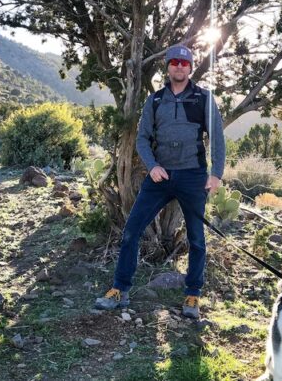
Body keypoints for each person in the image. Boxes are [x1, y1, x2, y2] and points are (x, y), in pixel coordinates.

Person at [94, 44, 226, 319]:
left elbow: (218, 138)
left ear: (191, 67)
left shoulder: (203, 98)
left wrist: (216, 174)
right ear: (167, 67)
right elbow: (142, 138)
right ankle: (120, 289)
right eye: (175, 62)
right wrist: (152, 166)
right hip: (160, 176)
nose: (180, 66)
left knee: (197, 239)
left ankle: (192, 294)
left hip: (192, 177)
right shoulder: (154, 101)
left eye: (185, 63)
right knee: (131, 230)